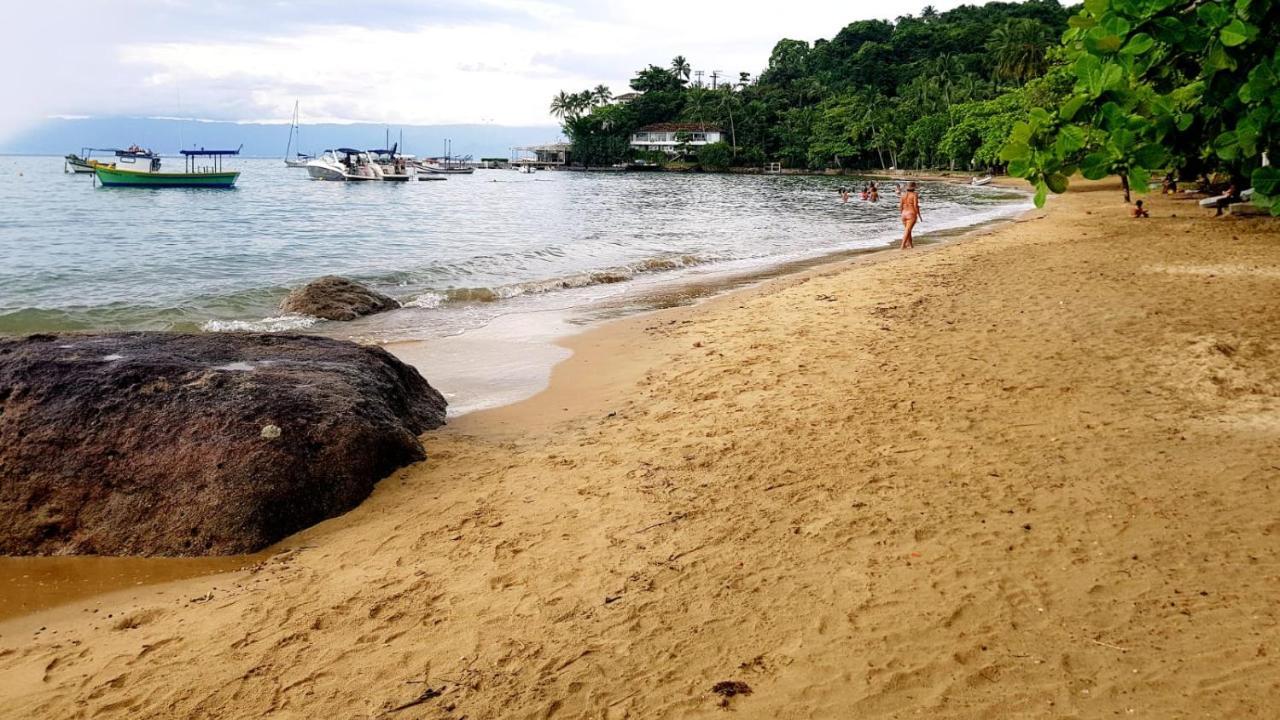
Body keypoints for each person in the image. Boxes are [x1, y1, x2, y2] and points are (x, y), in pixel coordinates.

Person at [899, 181, 921, 249]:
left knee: (908, 230)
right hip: (911, 213)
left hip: (903, 213)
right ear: (914, 188)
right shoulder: (915, 194)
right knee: (907, 230)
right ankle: (902, 246)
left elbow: (900, 206)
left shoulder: (903, 195)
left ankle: (911, 245)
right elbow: (915, 205)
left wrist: (901, 214)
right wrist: (919, 215)